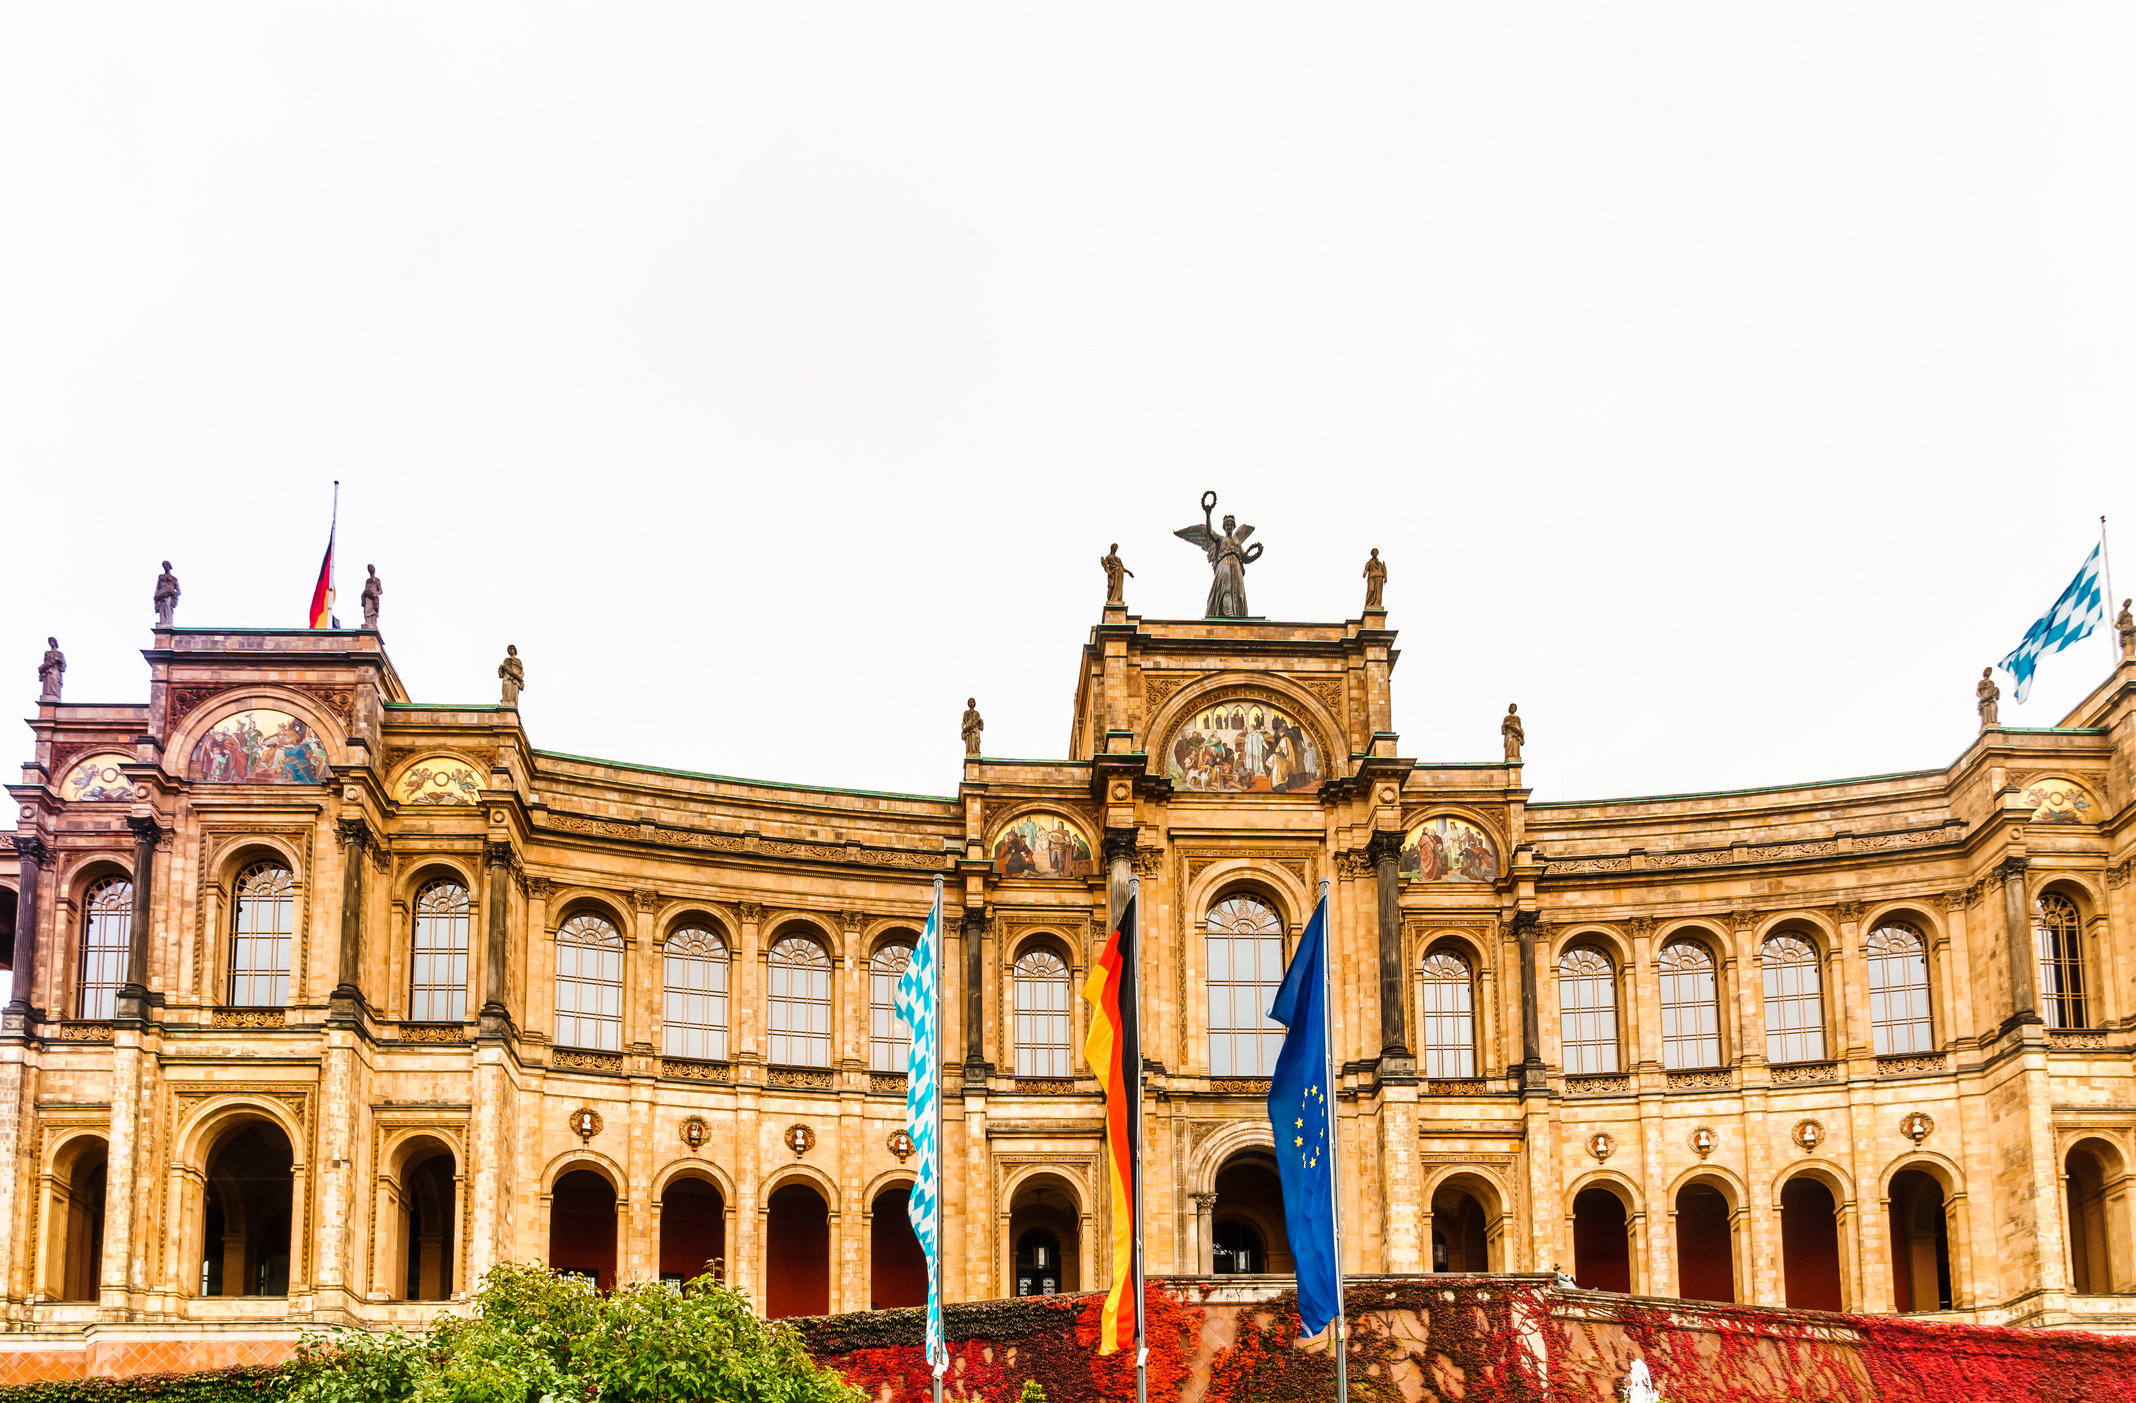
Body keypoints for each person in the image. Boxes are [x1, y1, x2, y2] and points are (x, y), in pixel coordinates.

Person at [37, 637, 64, 702]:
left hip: (55, 670)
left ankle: (54, 697)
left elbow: (63, 666)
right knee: (48, 685)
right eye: (50, 641)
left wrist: (59, 661)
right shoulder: (47, 653)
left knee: (54, 682)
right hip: (48, 671)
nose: (51, 643)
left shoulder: (59, 654)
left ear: (55, 642)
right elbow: (45, 662)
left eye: (52, 641)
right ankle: (48, 696)